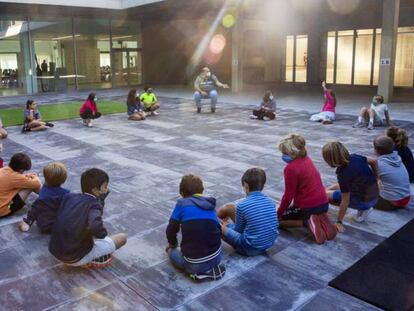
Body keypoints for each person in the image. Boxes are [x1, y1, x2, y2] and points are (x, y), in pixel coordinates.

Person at [49, 168, 127, 268]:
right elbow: (95, 225)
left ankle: (89, 253)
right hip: (74, 258)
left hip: (55, 250)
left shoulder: (69, 197)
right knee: (122, 238)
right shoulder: (94, 205)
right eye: (105, 187)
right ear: (95, 190)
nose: (106, 189)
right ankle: (91, 260)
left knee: (85, 229)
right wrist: (102, 234)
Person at [277, 134, 336, 244]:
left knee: (278, 221)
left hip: (307, 207)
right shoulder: (307, 159)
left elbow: (288, 196)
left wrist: (278, 214)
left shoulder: (290, 168)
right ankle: (319, 218)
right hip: (323, 203)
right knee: (291, 209)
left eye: (285, 153)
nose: (283, 156)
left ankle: (307, 222)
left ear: (294, 152)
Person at [165, 174, 225, 281]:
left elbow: (171, 229)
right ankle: (208, 270)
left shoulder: (182, 203)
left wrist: (172, 244)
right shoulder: (210, 204)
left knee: (170, 251)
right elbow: (218, 229)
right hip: (217, 257)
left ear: (182, 193)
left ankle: (196, 274)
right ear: (201, 191)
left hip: (195, 264)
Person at [217, 168, 278, 256]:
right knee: (230, 212)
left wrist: (225, 228)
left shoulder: (242, 205)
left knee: (219, 226)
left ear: (246, 186)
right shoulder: (270, 202)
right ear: (263, 186)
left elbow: (238, 231)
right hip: (268, 245)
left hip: (249, 249)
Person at [323, 141, 379, 232]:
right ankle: (363, 209)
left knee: (324, 195)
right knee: (334, 187)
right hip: (374, 196)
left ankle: (362, 210)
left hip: (364, 202)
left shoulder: (343, 173)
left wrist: (339, 222)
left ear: (329, 160)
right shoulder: (356, 157)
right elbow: (374, 161)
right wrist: (377, 178)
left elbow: (345, 200)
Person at [19, 162, 70, 233]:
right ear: (63, 180)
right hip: (60, 226)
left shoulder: (43, 192)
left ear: (46, 177)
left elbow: (34, 210)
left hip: (44, 225)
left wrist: (28, 221)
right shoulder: (66, 193)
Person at [371, 136, 411, 211]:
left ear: (375, 149)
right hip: (406, 199)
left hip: (390, 203)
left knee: (359, 191)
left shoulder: (379, 164)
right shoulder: (398, 158)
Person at [0, 153, 41, 217]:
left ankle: (47, 196)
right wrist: (35, 176)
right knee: (31, 186)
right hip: (4, 209)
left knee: (26, 183)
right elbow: (37, 183)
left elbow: (17, 179)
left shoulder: (4, 169)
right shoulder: (15, 177)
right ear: (21, 170)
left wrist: (28, 176)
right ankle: (48, 197)